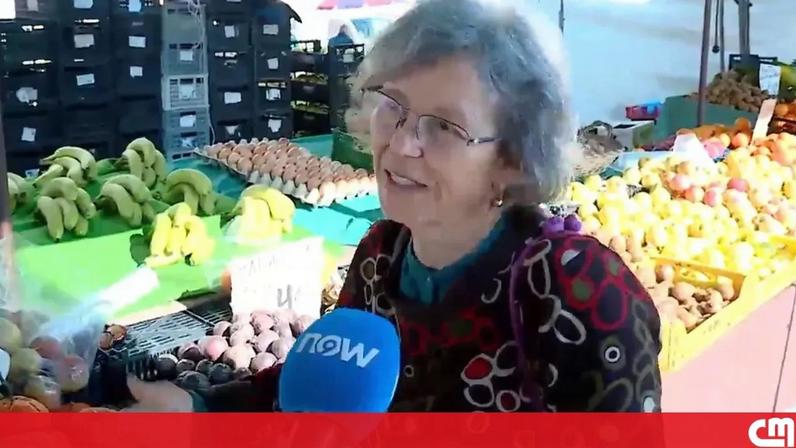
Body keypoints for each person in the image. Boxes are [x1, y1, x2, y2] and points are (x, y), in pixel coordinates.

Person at [127, 0, 661, 412]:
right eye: (394, 107)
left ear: (513, 158)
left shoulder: (579, 289)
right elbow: (320, 390)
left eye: (445, 126)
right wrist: (198, 408)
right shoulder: (381, 254)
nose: (403, 144)